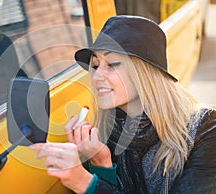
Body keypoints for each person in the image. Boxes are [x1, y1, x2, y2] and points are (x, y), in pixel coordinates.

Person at [29, 15, 216, 193]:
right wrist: (102, 164)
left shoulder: (206, 130)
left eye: (111, 64)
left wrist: (86, 183)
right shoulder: (105, 134)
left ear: (144, 73)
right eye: (95, 66)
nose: (96, 76)